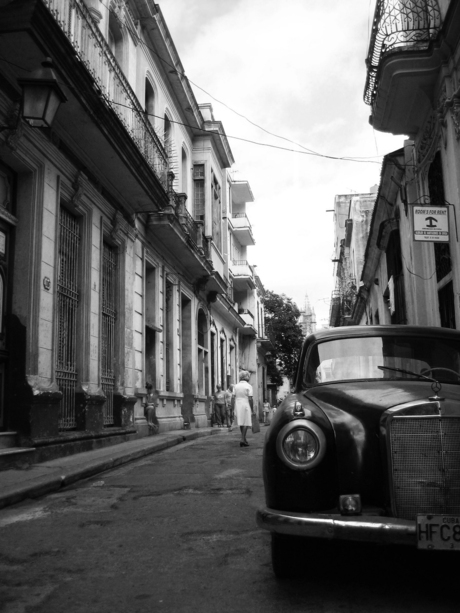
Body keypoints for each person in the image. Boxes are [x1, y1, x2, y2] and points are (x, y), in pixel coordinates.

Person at [232, 370, 254, 447]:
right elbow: (250, 399)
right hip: (245, 403)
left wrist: (232, 407)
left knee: (241, 422)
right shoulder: (249, 386)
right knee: (246, 422)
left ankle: (244, 439)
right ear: (247, 377)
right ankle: (242, 439)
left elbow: (232, 397)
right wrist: (252, 409)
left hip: (237, 404)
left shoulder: (236, 386)